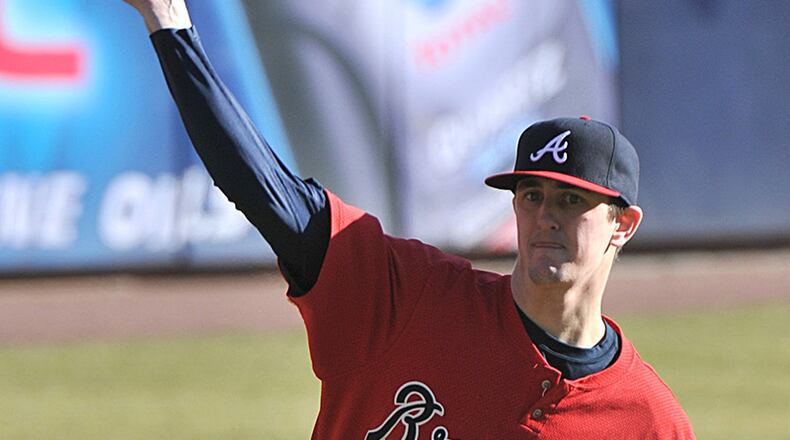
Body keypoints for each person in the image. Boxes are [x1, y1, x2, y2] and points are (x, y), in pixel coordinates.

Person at [123, 1, 696, 438]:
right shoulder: (407, 298)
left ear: (624, 225)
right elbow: (265, 190)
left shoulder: (649, 420)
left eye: (571, 201)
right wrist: (169, 23)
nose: (545, 215)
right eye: (531, 195)